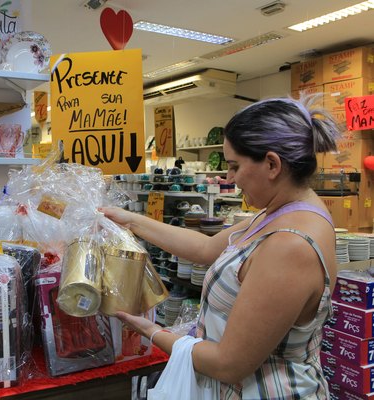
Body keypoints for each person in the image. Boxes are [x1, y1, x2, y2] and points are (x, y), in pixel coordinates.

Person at [101, 95, 341, 399]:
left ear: (272, 164)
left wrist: (150, 331)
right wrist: (128, 220)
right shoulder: (279, 212)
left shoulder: (290, 246)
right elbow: (206, 247)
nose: (229, 178)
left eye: (234, 166)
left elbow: (228, 365)